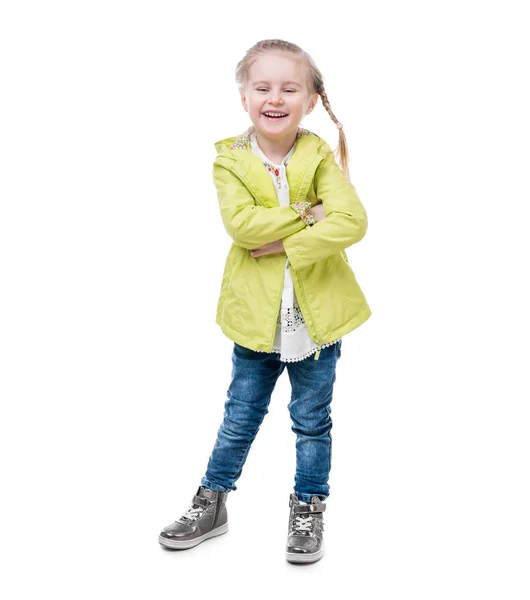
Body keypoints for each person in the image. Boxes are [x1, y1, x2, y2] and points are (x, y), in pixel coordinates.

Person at [158, 39, 371, 564]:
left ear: (311, 99)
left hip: (316, 323)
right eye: (263, 87)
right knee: (240, 415)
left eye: (289, 88)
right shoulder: (229, 160)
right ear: (244, 97)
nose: (274, 98)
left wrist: (286, 241)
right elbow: (242, 227)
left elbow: (353, 221)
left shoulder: (318, 155)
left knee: (312, 419)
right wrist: (308, 215)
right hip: (256, 320)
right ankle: (212, 501)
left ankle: (308, 507)